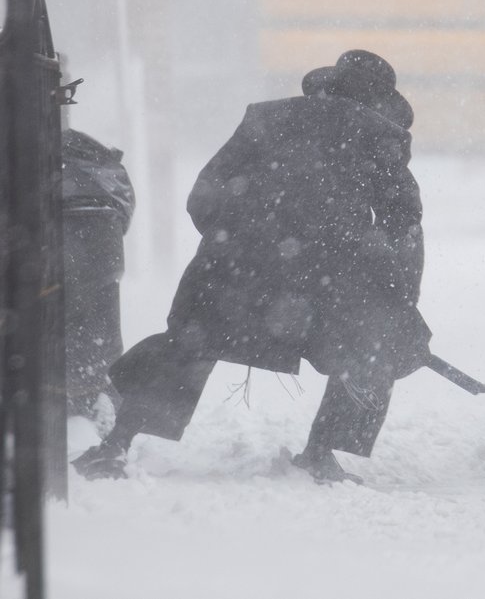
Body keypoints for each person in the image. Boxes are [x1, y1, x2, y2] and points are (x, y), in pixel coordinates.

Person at [72, 50, 430, 483]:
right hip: (325, 286)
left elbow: (203, 194)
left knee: (187, 343)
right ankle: (321, 453)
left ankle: (115, 446)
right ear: (379, 103)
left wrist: (235, 240)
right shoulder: (380, 138)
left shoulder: (266, 119)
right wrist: (398, 299)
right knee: (373, 351)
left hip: (232, 273)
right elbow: (404, 227)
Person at [61, 128, 135, 421]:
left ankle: (83, 401)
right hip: (103, 225)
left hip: (65, 226)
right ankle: (99, 398)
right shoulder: (86, 155)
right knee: (98, 325)